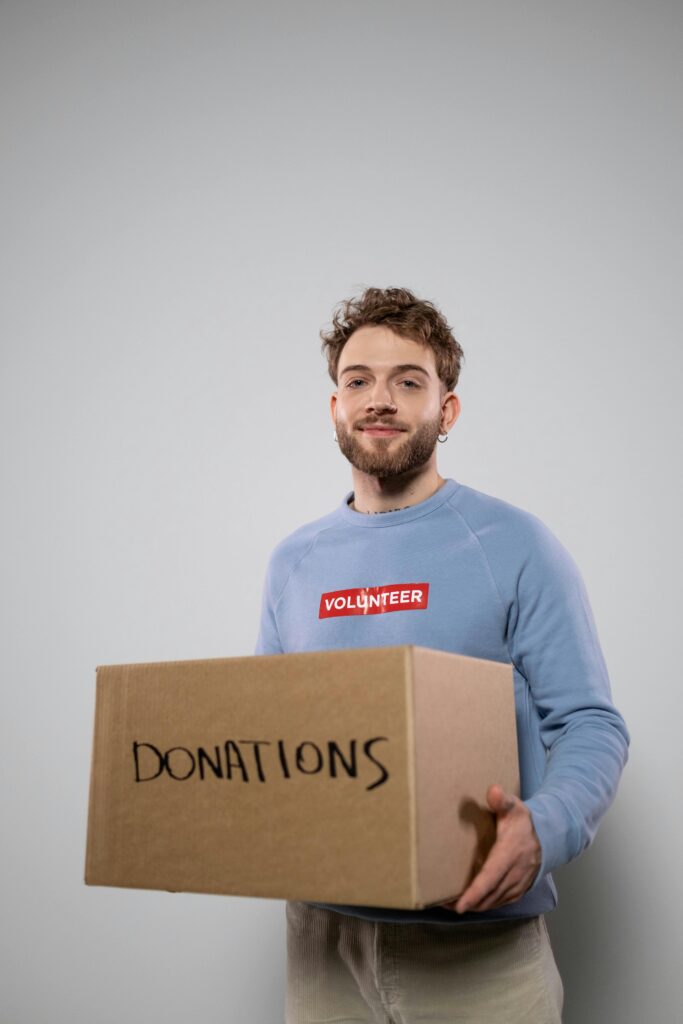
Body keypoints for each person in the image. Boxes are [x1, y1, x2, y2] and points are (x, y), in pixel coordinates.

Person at [254, 286, 630, 1024]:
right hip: (321, 947)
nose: (379, 399)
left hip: (477, 946)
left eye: (408, 381)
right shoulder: (292, 562)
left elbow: (589, 723)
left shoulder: (515, 545)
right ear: (335, 407)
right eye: (357, 380)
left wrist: (544, 828)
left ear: (445, 411)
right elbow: (270, 740)